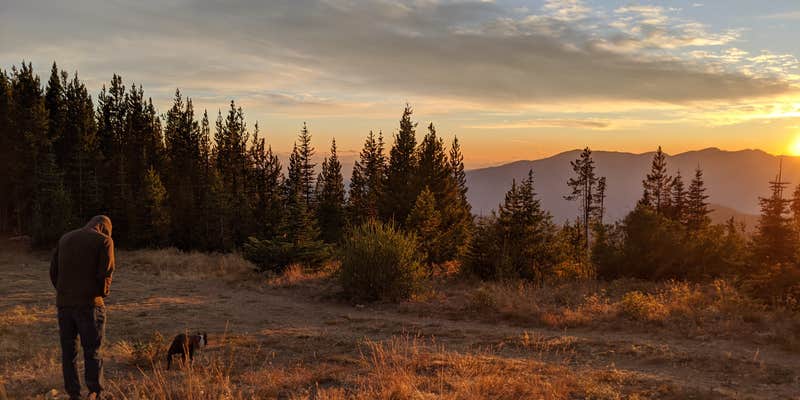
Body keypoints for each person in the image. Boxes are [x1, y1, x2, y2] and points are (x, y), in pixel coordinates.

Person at [50, 215, 115, 400]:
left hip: (64, 305)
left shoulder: (65, 238)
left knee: (69, 352)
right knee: (92, 350)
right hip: (89, 305)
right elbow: (106, 272)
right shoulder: (104, 241)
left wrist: (65, 292)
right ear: (104, 228)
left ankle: (74, 393)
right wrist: (101, 293)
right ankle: (94, 392)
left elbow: (53, 272)